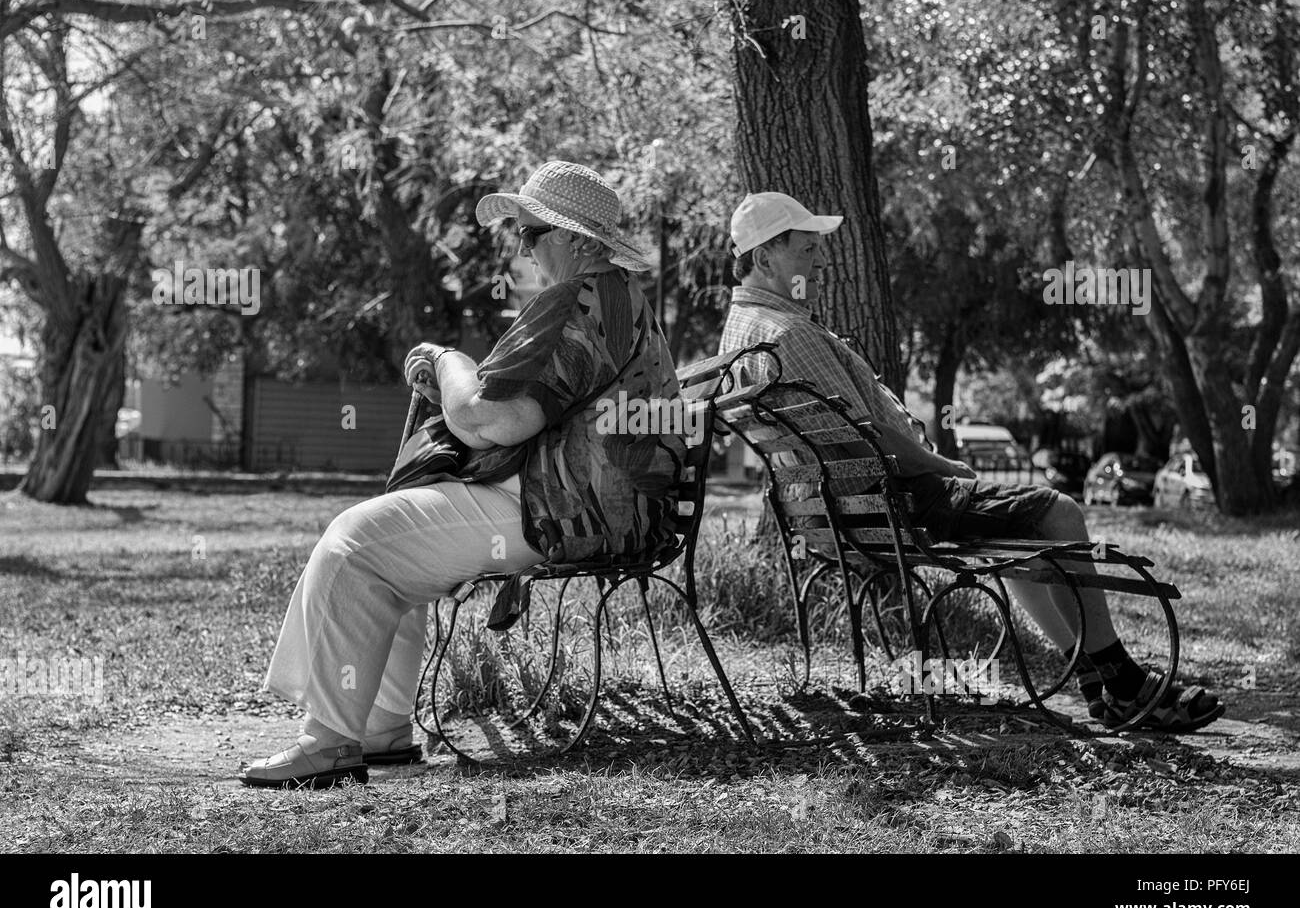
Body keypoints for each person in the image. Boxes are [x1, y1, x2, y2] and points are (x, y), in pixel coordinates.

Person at [240, 161, 685, 787]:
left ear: (580, 240)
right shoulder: (623, 301)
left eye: (532, 234)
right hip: (608, 507)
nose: (522, 248)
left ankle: (331, 742)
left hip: (562, 508)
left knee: (354, 545)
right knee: (387, 552)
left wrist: (447, 360)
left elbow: (488, 420)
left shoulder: (576, 301)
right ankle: (380, 731)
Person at [717, 191, 1225, 732]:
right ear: (764, 258)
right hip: (899, 503)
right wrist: (940, 466)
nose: (821, 262)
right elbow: (872, 436)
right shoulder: (791, 333)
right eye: (806, 250)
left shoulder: (745, 328)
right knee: (1058, 513)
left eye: (821, 250)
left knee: (1022, 530)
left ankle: (1096, 676)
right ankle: (1121, 680)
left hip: (842, 512)